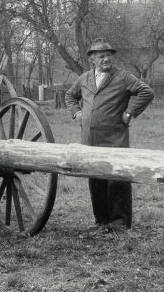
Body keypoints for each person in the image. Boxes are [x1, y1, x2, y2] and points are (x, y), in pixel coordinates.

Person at [65, 40, 154, 233]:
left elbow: (146, 92)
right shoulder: (84, 79)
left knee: (117, 180)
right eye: (101, 56)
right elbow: (70, 96)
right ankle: (102, 221)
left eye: (108, 55)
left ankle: (120, 224)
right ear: (92, 59)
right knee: (96, 180)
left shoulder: (123, 77)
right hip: (90, 141)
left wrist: (130, 112)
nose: (106, 59)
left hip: (115, 140)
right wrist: (77, 113)